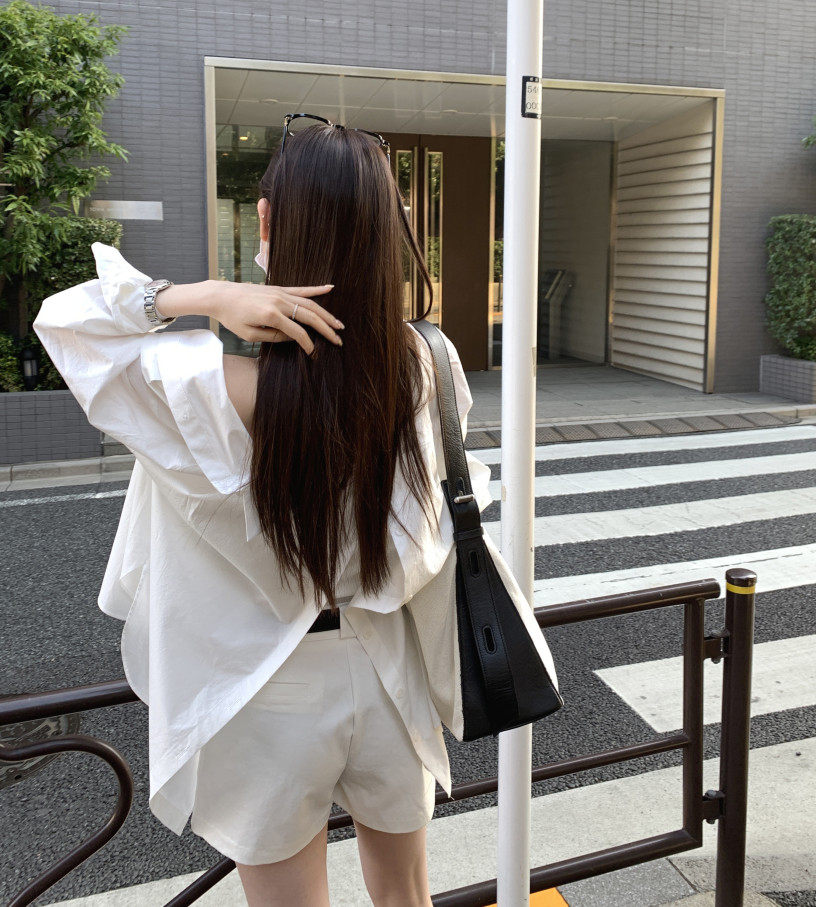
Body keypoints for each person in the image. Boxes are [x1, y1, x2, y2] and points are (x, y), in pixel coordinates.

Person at [32, 117, 498, 907]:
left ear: (266, 221)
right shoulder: (427, 365)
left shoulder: (205, 388)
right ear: (387, 236)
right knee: (406, 897)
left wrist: (200, 296)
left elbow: (67, 323)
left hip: (259, 688)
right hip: (389, 666)